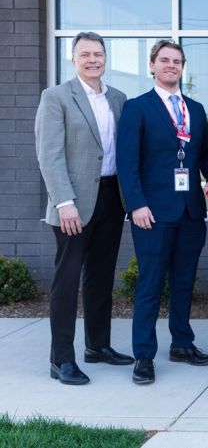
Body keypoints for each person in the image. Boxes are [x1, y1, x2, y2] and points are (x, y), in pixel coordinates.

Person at [35, 31, 132, 385]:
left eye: (98, 54)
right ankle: (61, 359)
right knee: (67, 279)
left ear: (106, 58)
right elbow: (49, 155)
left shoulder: (119, 98)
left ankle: (98, 346)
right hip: (72, 202)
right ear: (73, 59)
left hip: (110, 197)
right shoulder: (56, 97)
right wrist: (64, 202)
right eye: (85, 54)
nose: (93, 59)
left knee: (101, 276)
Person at [117, 39, 208, 385]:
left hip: (190, 212)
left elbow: (204, 156)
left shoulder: (197, 110)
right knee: (150, 285)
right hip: (152, 213)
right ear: (152, 66)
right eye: (165, 60)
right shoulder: (137, 108)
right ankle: (144, 354)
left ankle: (182, 344)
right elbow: (127, 163)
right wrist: (137, 205)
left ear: (182, 67)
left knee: (184, 284)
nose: (171, 66)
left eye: (177, 61)